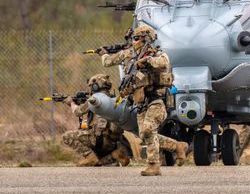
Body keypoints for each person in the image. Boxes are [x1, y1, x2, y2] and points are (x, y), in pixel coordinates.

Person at [101, 25, 188, 176]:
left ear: (145, 39)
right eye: (133, 39)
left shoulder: (156, 53)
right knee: (145, 134)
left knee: (148, 129)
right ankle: (178, 147)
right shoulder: (128, 54)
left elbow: (164, 62)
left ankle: (154, 165)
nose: (133, 42)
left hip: (156, 100)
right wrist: (103, 54)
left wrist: (147, 61)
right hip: (140, 103)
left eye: (136, 39)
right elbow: (107, 62)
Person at [61, 74, 130, 167]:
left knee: (67, 136)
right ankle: (114, 155)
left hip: (98, 139)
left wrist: (71, 103)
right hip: (112, 143)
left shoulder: (95, 100)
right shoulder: (115, 99)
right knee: (98, 163)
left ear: (96, 86)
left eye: (91, 87)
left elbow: (78, 112)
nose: (91, 89)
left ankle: (90, 157)